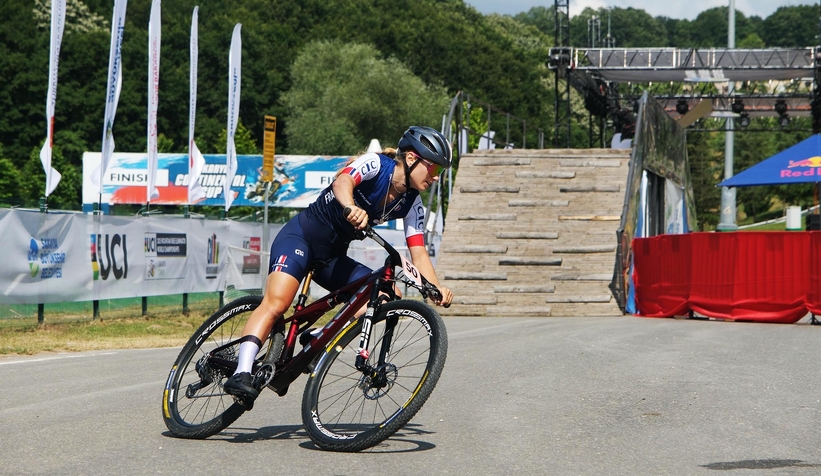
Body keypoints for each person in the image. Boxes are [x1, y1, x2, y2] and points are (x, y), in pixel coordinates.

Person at [223, 126, 455, 407]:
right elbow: (343, 181)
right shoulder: (376, 164)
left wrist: (434, 287)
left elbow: (418, 253)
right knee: (278, 303)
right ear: (411, 159)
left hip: (332, 258)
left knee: (384, 297)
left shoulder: (412, 203)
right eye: (433, 168)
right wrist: (350, 206)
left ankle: (317, 338)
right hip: (301, 238)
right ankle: (242, 371)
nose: (435, 177)